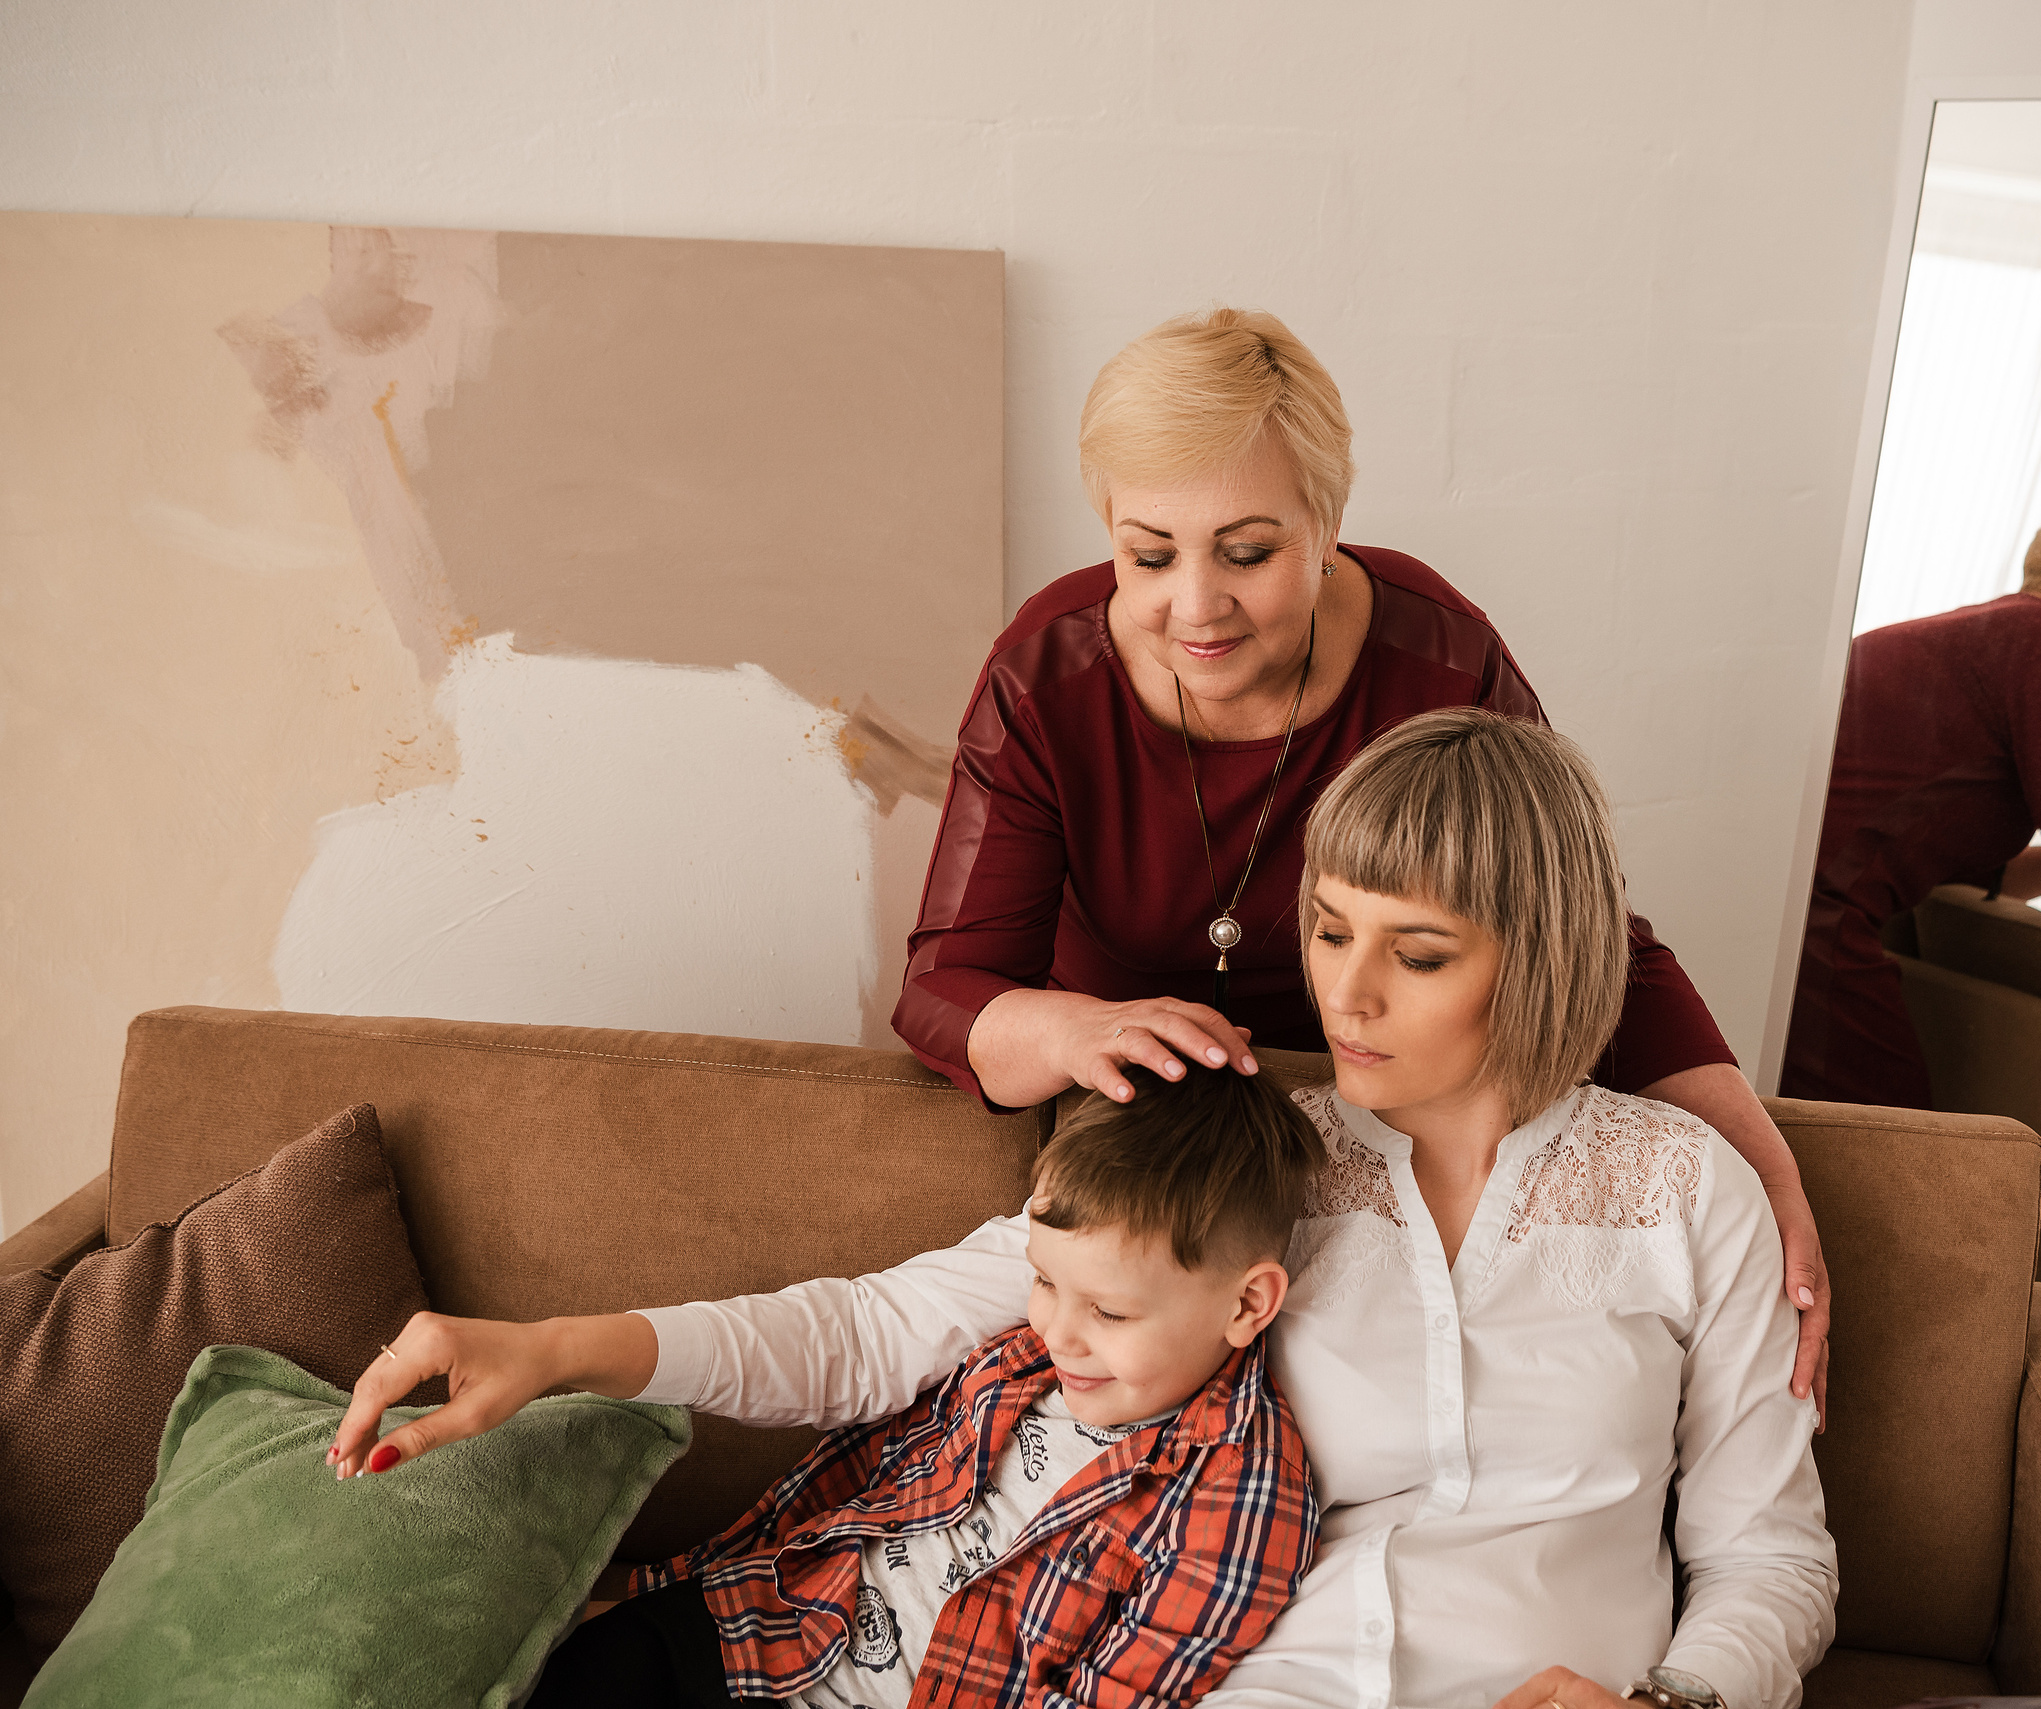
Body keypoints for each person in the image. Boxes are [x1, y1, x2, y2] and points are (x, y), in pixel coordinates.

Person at [335, 709, 1835, 1709]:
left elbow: (1773, 1556)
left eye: (1419, 954)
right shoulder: (1250, 1160)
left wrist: (1673, 1705)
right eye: (1327, 930)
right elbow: (877, 1332)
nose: (1347, 991)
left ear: (1542, 952)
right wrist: (559, 1348)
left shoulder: (1684, 1189)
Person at [895, 307, 1828, 1408]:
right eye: (1148, 554)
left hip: (1388, 1121)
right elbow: (942, 987)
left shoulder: (1437, 658)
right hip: (1158, 1131)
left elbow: (1579, 931)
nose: (1194, 606)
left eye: (1248, 552)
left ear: (1327, 522)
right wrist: (1072, 1024)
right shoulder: (1045, 672)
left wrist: (1763, 1167)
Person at [472, 1062, 1319, 1709]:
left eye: (1110, 1312)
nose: (1058, 1330)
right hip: (756, 1634)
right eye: (1045, 1282)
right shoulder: (1019, 1359)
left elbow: (1116, 1692)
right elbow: (849, 1486)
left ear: (1247, 1304)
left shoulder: (1241, 1497)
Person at [1783, 492, 2041, 1108]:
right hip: (1819, 919)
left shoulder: (1978, 638)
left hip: (1780, 900)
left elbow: (1937, 849)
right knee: (1898, 1157)